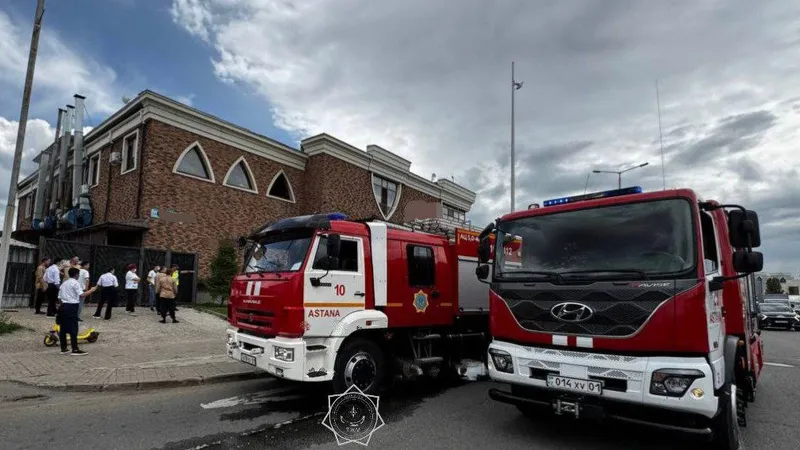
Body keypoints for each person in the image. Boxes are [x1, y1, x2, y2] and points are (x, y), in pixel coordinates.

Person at [56, 267, 98, 355]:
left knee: (63, 328)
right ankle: (75, 349)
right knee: (73, 328)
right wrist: (91, 290)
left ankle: (63, 348)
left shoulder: (64, 283)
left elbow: (59, 297)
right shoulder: (75, 283)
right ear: (76, 275)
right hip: (71, 306)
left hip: (63, 306)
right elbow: (82, 295)